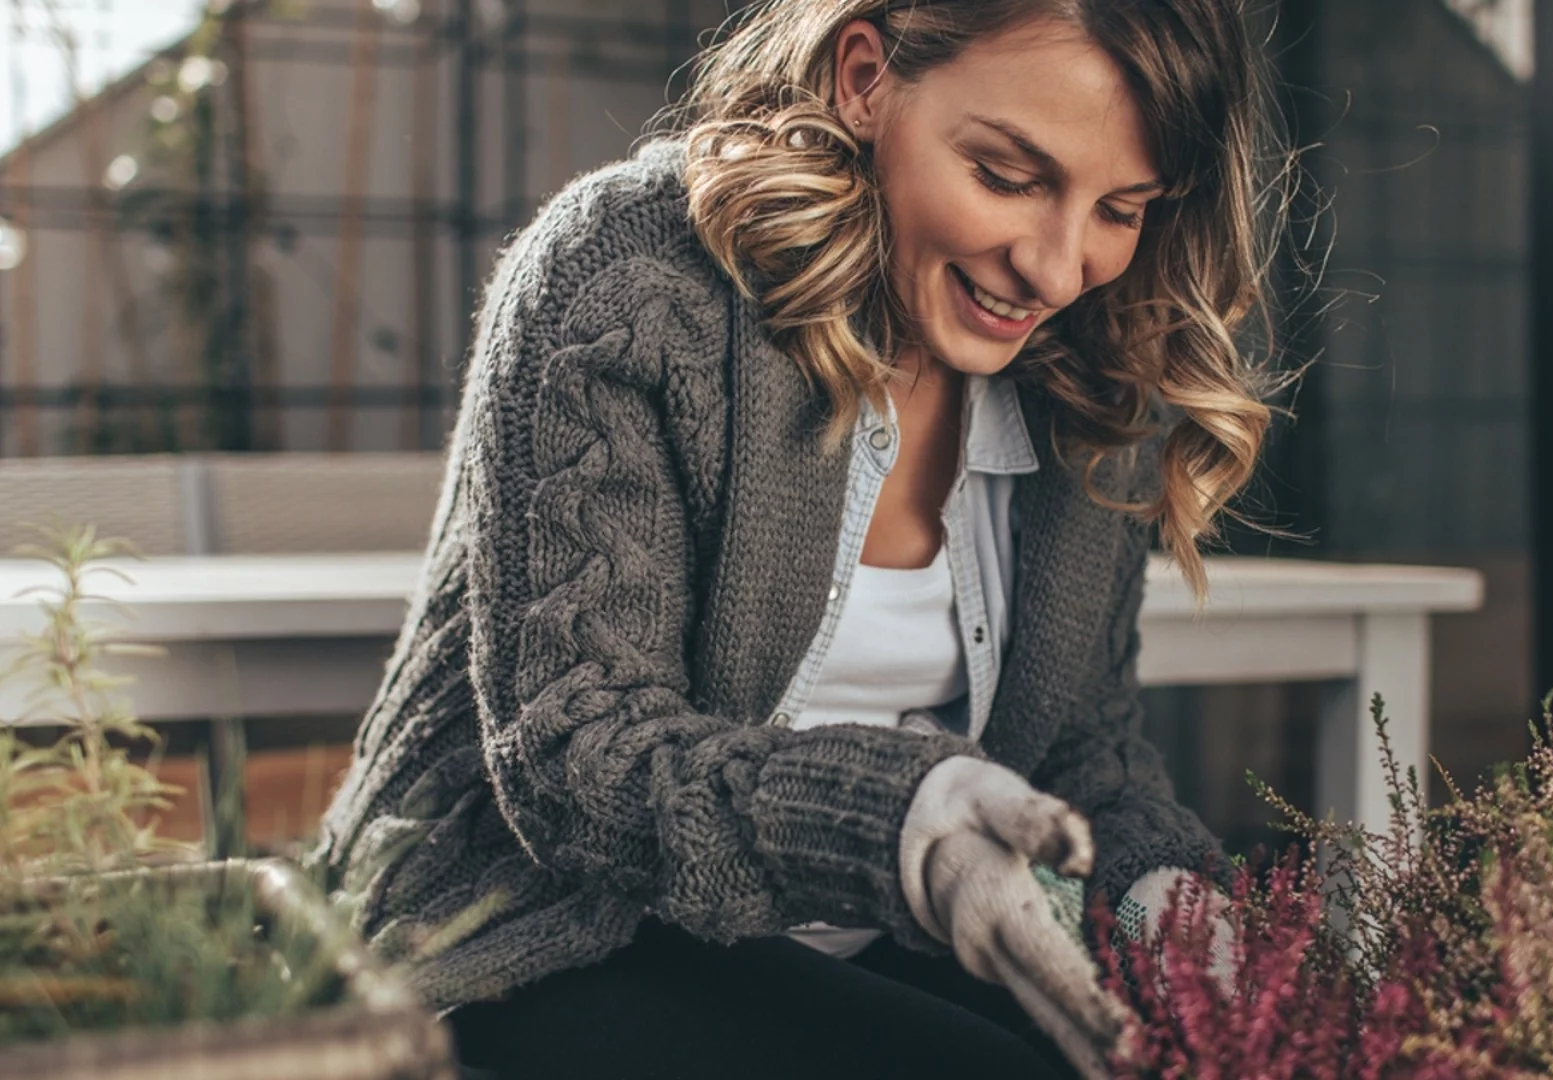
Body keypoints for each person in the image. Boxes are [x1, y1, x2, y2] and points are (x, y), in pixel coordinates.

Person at [312, 1, 1278, 1076]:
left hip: (864, 940)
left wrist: (1159, 897)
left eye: (1122, 209)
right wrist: (904, 827)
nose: (1056, 270)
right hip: (529, 930)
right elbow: (575, 753)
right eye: (1009, 177)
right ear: (864, 78)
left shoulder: (1090, 377)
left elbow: (1084, 754)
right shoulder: (629, 275)